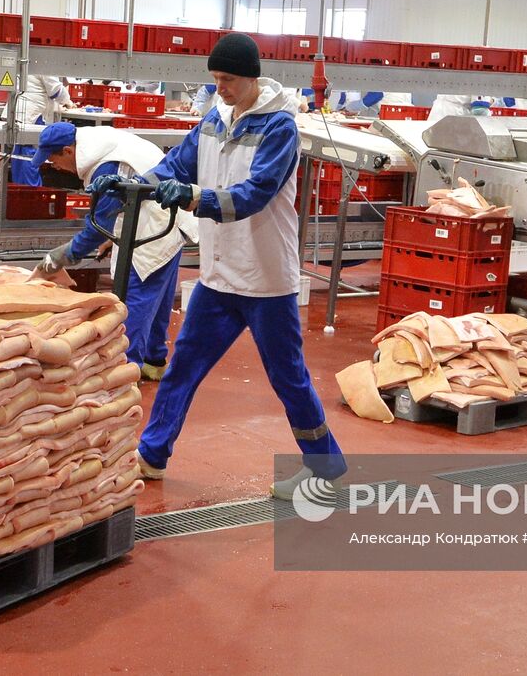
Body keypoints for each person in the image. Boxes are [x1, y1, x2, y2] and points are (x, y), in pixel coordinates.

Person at [92, 32, 346, 498]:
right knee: (182, 366)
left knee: (288, 378)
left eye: (227, 79)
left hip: (266, 281)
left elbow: (254, 194)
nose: (220, 87)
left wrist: (194, 197)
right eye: (215, 79)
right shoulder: (214, 119)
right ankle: (151, 455)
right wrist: (129, 184)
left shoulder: (280, 129)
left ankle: (326, 467)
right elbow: (176, 164)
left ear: (251, 78)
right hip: (219, 276)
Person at [33, 122, 197, 382]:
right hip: (165, 221)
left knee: (135, 298)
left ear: (67, 150)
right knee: (159, 293)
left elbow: (97, 229)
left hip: (154, 225)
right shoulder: (100, 141)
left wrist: (58, 258)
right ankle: (153, 361)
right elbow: (114, 210)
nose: (54, 167)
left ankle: (124, 368)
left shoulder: (106, 164)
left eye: (53, 160)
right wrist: (113, 236)